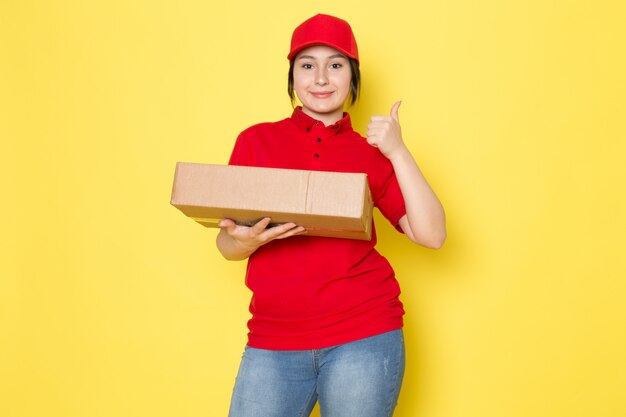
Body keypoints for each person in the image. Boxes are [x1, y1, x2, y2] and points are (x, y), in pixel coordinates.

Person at [216, 13, 446, 417]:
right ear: (292, 78)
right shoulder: (255, 142)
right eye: (308, 65)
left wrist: (398, 151)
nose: (321, 78)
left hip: (364, 335)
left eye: (335, 65)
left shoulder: (371, 153)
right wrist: (242, 242)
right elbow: (226, 243)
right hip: (273, 340)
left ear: (353, 78)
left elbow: (431, 234)